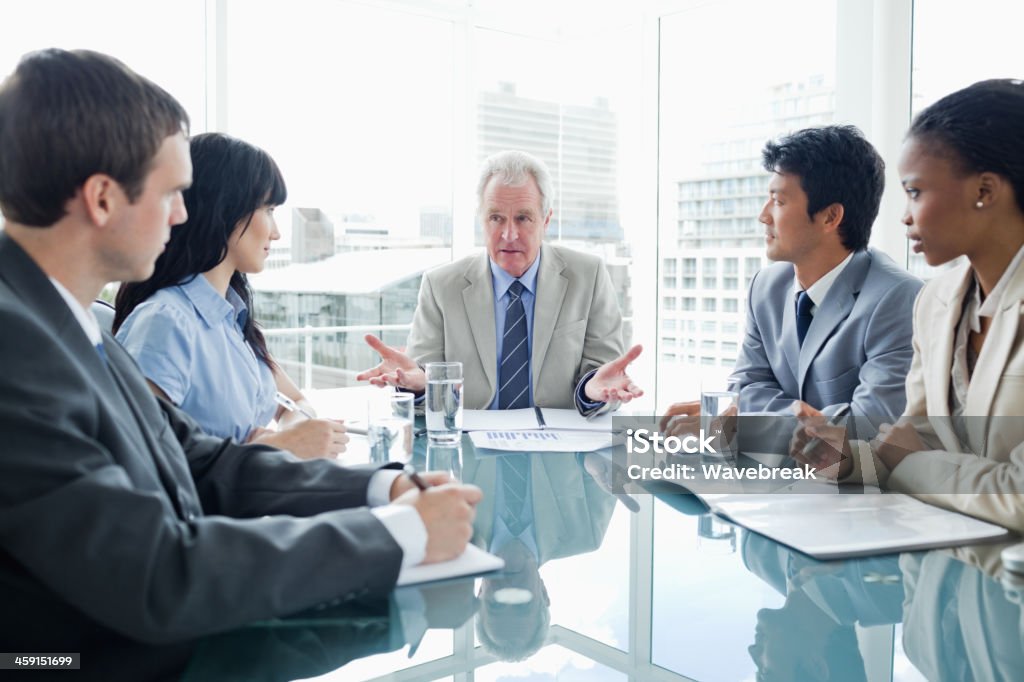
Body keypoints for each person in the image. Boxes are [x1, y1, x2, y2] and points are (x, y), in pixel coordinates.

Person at [0, 48, 481, 657]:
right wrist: (399, 535)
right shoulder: (15, 350)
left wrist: (379, 490)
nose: (182, 215)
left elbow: (200, 463)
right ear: (101, 198)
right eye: (173, 192)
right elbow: (158, 574)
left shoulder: (65, 324)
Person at [792, 80, 1024, 532]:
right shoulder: (936, 301)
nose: (904, 216)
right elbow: (916, 439)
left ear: (986, 190)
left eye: (915, 192)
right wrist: (848, 461)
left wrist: (911, 465)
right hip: (948, 571)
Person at [663, 125, 923, 446]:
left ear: (830, 217)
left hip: (853, 488)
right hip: (776, 482)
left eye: (778, 201)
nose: (763, 216)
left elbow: (871, 423)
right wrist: (800, 417)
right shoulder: (767, 286)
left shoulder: (899, 298)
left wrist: (742, 427)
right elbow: (745, 388)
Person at [113, 132, 345, 459]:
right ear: (223, 210)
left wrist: (292, 433)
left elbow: (297, 403)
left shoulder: (232, 321)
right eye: (268, 210)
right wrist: (264, 449)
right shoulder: (167, 321)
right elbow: (144, 458)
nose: (276, 232)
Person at [357, 150, 643, 415]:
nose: (508, 234)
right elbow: (422, 383)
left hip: (561, 453)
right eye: (496, 218)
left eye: (523, 218)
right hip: (470, 453)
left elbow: (603, 374)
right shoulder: (441, 286)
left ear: (546, 220)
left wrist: (593, 392)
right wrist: (418, 389)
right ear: (482, 220)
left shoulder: (588, 276)